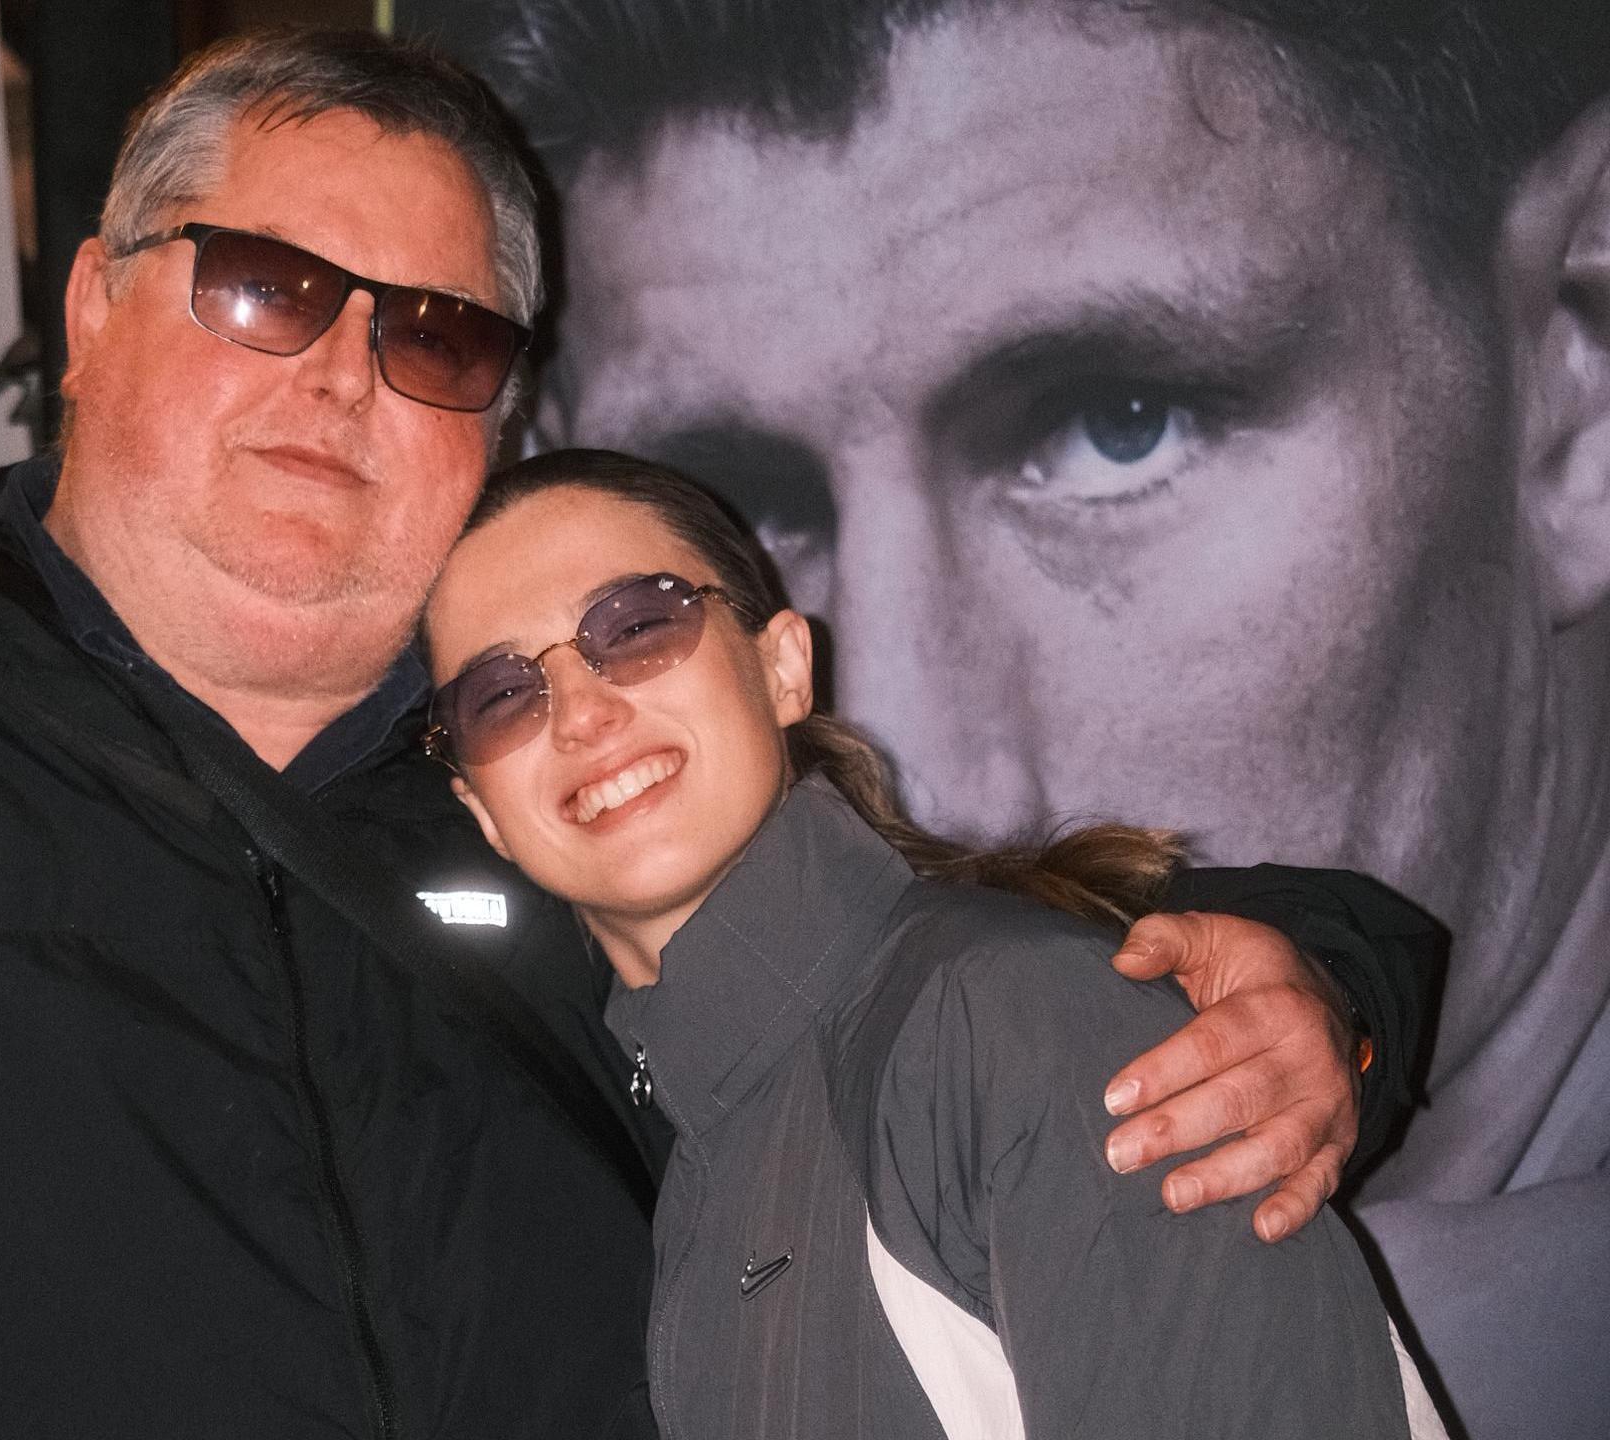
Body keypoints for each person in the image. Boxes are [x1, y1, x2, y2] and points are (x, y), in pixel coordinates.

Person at [0, 29, 1416, 1438]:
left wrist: (1315, 976)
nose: (344, 376)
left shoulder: (577, 823)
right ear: (93, 311)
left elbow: (947, 956)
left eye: (436, 334)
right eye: (265, 286)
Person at [414, 1, 1610, 1431]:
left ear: (1580, 379)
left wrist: (1285, 986)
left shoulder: (1026, 1035)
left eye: (1117, 421)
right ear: (470, 792)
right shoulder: (704, 1120)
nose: (920, 718)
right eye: (501, 693)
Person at [420, 447, 1449, 1439]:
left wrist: (1337, 987)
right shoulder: (702, 1146)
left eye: (636, 624)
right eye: (501, 695)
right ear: (483, 811)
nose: (584, 712)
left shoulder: (1003, 1018)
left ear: (781, 668)